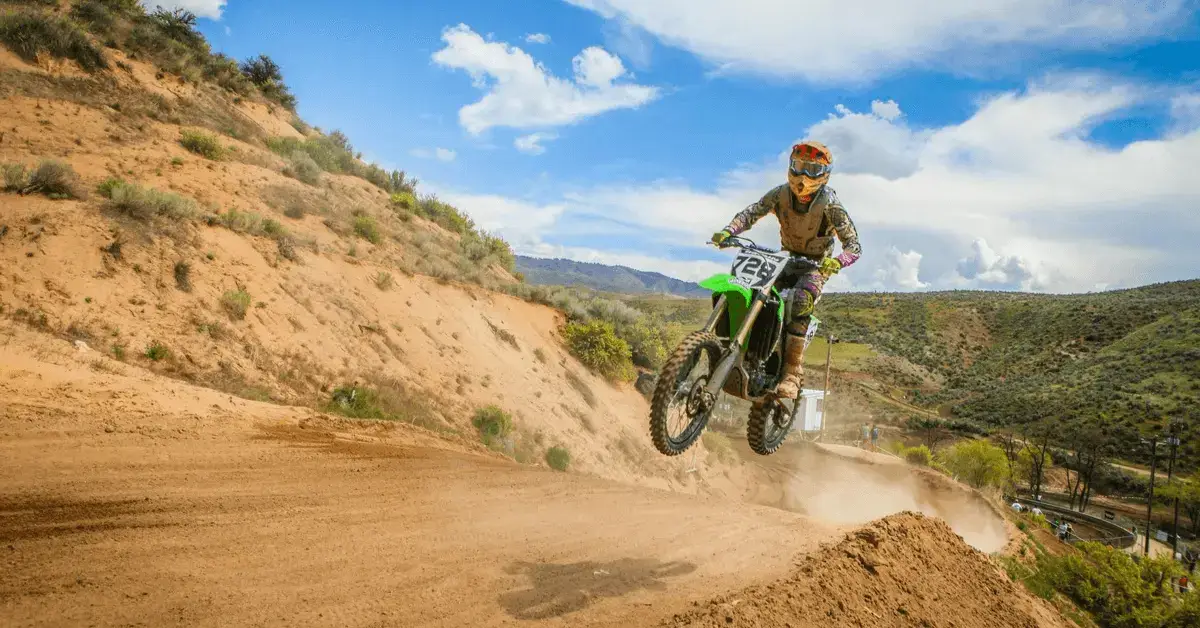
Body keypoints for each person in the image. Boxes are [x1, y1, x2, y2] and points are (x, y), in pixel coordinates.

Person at [711, 141, 861, 399]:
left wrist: (837, 261)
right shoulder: (780, 194)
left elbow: (854, 245)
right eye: (799, 166)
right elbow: (752, 212)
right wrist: (729, 231)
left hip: (815, 265)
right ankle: (742, 351)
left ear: (824, 175)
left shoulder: (830, 204)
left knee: (801, 300)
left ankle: (792, 372)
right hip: (785, 259)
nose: (803, 175)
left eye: (811, 169)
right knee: (751, 287)